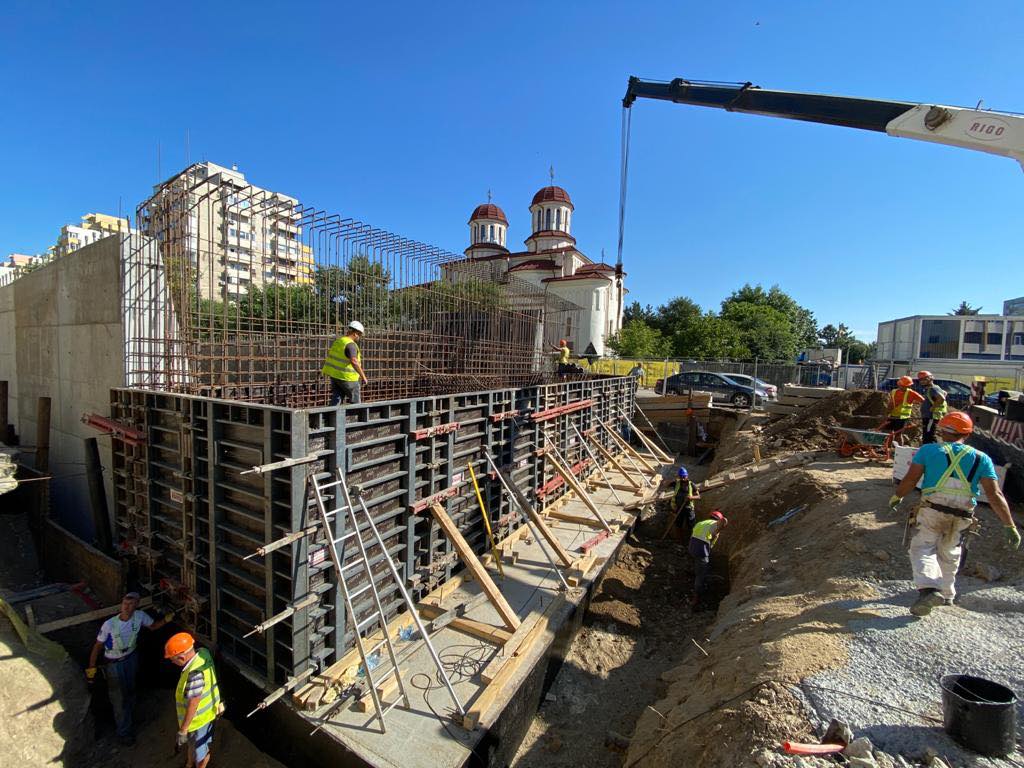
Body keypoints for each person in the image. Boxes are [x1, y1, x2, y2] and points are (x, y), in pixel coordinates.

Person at [889, 412, 1020, 617]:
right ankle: (947, 595)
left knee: (922, 547)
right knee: (950, 552)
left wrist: (897, 497)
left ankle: (929, 590)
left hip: (933, 508)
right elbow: (995, 494)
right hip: (963, 513)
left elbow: (910, 480)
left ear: (941, 430)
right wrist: (1008, 525)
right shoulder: (982, 458)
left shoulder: (928, 450)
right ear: (967, 434)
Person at [87, 592, 173, 744]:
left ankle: (130, 718)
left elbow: (153, 626)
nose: (127, 607)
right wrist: (91, 667)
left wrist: (166, 620)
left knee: (130, 690)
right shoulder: (109, 625)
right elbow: (98, 646)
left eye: (131, 604)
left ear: (136, 605)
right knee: (118, 698)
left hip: (131, 659)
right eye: (125, 604)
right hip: (114, 663)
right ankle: (124, 732)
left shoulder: (139, 616)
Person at [165, 632, 224, 768]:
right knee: (194, 745)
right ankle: (189, 764)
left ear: (181, 657)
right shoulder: (203, 653)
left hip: (200, 721)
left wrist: (183, 730)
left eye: (172, 658)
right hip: (205, 715)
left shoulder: (195, 675)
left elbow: (193, 704)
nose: (171, 661)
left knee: (200, 752)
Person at [322, 320, 368, 405]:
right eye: (359, 335)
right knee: (356, 401)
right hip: (347, 378)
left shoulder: (339, 341)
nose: (359, 337)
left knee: (337, 397)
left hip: (335, 376)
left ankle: (331, 416)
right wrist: (363, 376)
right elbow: (354, 361)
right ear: (355, 334)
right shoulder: (351, 345)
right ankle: (356, 416)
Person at [689, 510, 728, 609]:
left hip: (692, 547)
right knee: (701, 575)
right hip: (701, 550)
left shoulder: (701, 523)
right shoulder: (716, 524)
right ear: (718, 520)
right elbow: (724, 522)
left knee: (699, 563)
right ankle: (697, 598)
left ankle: (699, 571)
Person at [914, 371, 947, 444]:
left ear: (930, 378)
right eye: (920, 380)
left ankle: (932, 451)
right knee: (928, 435)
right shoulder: (932, 388)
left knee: (929, 436)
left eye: (924, 379)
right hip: (929, 416)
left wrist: (933, 408)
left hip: (931, 416)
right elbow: (944, 393)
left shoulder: (933, 388)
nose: (922, 381)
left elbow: (941, 398)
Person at [671, 466, 700, 537]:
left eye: (684, 476)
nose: (683, 478)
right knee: (678, 525)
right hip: (679, 508)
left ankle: (691, 540)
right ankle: (679, 539)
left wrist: (691, 497)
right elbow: (664, 484)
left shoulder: (691, 484)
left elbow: (699, 496)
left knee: (691, 525)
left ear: (687, 476)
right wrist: (674, 479)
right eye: (681, 477)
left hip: (688, 508)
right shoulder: (676, 483)